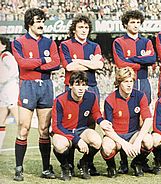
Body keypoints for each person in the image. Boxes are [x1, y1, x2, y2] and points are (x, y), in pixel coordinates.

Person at [11, 8, 60, 181]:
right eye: (38, 21)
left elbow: (56, 63)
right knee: (23, 128)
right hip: (28, 86)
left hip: (46, 86)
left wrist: (36, 65)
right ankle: (19, 168)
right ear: (29, 23)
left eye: (42, 21)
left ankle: (46, 168)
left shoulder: (50, 42)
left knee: (44, 130)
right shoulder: (18, 42)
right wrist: (43, 61)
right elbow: (23, 64)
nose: (41, 24)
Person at [59, 14, 104, 176]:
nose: (84, 30)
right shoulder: (65, 45)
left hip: (91, 87)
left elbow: (98, 65)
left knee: (91, 125)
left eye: (86, 27)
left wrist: (81, 61)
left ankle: (86, 163)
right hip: (71, 88)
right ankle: (69, 163)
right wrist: (89, 62)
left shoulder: (95, 46)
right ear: (74, 29)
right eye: (80, 27)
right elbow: (69, 66)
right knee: (69, 124)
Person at [112, 10, 156, 173]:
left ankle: (140, 160)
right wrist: (141, 60)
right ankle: (123, 160)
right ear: (126, 24)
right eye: (132, 22)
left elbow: (151, 60)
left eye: (138, 22)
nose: (135, 25)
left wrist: (132, 60)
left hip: (143, 82)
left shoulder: (146, 42)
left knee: (143, 119)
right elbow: (120, 63)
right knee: (124, 120)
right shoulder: (119, 42)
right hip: (126, 83)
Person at [51, 71, 108, 180]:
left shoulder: (91, 96)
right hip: (64, 131)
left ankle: (84, 163)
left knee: (97, 141)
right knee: (59, 144)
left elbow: (96, 113)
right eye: (77, 84)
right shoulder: (60, 100)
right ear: (71, 86)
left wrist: (101, 121)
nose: (81, 88)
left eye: (84, 85)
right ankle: (65, 167)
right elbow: (56, 127)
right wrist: (77, 140)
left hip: (81, 130)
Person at [101, 67, 153, 178]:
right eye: (126, 81)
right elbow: (107, 128)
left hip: (133, 134)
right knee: (106, 147)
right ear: (119, 83)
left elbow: (148, 119)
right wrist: (123, 144)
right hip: (116, 136)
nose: (129, 85)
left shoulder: (140, 96)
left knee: (148, 141)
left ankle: (137, 163)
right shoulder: (110, 100)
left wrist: (138, 141)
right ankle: (111, 167)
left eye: (131, 81)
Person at [0, 36, 19, 152]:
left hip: (11, 88)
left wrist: (3, 79)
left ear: (4, 45)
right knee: (0, 120)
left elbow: (14, 70)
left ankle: (22, 140)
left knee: (18, 118)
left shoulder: (6, 56)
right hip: (4, 90)